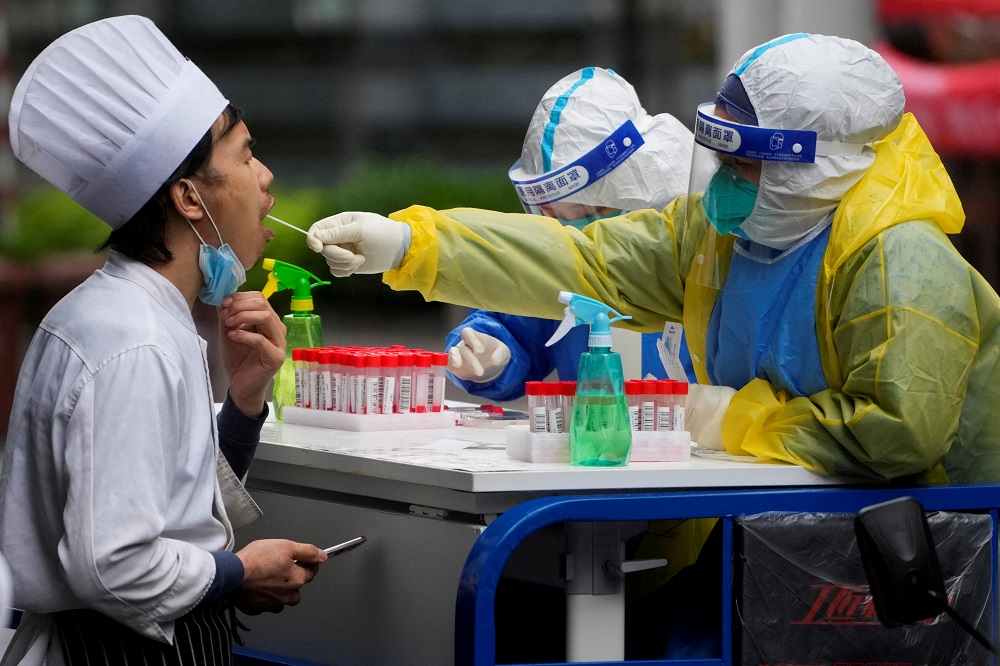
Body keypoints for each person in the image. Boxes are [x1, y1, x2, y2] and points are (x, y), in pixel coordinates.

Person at [306, 32, 1000, 486]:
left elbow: (902, 433)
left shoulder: (901, 264)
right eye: (722, 159)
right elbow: (580, 263)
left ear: (819, 167)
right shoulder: (714, 237)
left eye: (745, 164)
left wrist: (740, 421)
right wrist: (411, 245)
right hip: (782, 537)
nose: (723, 181)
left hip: (920, 560)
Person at [0, 15, 327, 664]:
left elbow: (168, 497)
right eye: (245, 154)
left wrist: (242, 402)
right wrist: (241, 572)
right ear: (188, 197)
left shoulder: (141, 313)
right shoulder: (131, 340)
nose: (265, 178)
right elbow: (113, 564)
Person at [445, 67, 702, 400]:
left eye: (588, 212)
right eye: (555, 214)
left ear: (639, 187)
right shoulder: (563, 257)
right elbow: (517, 313)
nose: (576, 230)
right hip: (592, 441)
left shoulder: (701, 249)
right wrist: (490, 350)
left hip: (702, 445)